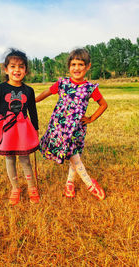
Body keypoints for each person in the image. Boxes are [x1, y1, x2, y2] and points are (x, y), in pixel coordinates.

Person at [36, 48, 108, 200]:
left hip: (77, 129)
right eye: (73, 64)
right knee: (73, 156)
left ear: (87, 66)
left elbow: (103, 105)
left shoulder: (90, 88)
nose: (76, 68)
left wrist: (91, 118)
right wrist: (31, 101)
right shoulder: (62, 83)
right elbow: (46, 93)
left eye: (81, 64)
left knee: (75, 155)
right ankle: (89, 183)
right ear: (69, 66)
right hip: (60, 127)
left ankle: (69, 183)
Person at [0, 48, 40, 205]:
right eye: (13, 66)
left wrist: (36, 129)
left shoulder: (28, 91)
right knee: (9, 159)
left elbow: (33, 111)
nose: (17, 70)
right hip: (5, 129)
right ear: (6, 69)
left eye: (21, 66)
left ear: (26, 70)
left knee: (25, 159)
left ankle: (32, 187)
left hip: (23, 130)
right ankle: (15, 188)